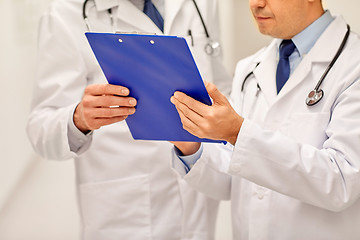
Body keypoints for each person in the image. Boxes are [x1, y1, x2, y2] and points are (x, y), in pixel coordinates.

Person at [26, 0, 232, 239]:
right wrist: (79, 118)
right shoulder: (64, 14)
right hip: (124, 208)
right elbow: (40, 128)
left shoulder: (200, 4)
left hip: (198, 193)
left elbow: (220, 85)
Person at [170, 0, 360, 239]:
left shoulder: (354, 66)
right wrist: (189, 145)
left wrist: (237, 133)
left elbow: (342, 182)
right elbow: (232, 180)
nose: (256, 4)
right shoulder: (249, 69)